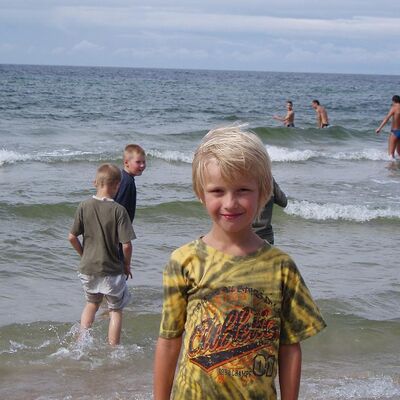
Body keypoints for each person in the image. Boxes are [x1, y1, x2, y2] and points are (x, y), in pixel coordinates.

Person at [153, 125, 326, 400]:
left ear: (263, 191)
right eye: (217, 191)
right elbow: (169, 340)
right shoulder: (183, 261)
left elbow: (290, 347)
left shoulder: (281, 266)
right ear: (201, 193)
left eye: (243, 190)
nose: (230, 202)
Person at [68, 163, 136, 346]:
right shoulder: (119, 210)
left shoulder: (84, 206)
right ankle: (113, 348)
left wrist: (83, 254)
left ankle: (81, 341)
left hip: (88, 268)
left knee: (91, 304)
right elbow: (126, 245)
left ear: (95, 182)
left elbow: (72, 237)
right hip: (111, 270)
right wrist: (126, 265)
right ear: (117, 185)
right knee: (115, 310)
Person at [114, 144, 146, 223]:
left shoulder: (123, 177)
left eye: (144, 162)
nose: (142, 165)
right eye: (138, 162)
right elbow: (120, 207)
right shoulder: (128, 182)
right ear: (126, 163)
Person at [253, 177, 287, 244]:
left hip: (243, 237)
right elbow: (283, 202)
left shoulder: (240, 178)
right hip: (266, 237)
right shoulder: (268, 179)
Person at [376, 95, 400, 159]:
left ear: (393, 101)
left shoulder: (394, 108)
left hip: (395, 132)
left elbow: (387, 118)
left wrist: (379, 128)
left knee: (391, 155)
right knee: (399, 153)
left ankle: (392, 165)